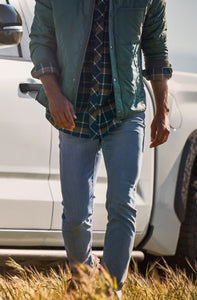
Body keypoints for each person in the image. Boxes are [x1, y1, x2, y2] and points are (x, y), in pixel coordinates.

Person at [29, 0, 172, 296]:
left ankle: (109, 289)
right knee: (76, 215)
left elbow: (156, 48)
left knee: (123, 203)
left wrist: (163, 111)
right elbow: (41, 41)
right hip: (73, 113)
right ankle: (83, 276)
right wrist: (53, 95)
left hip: (126, 112)